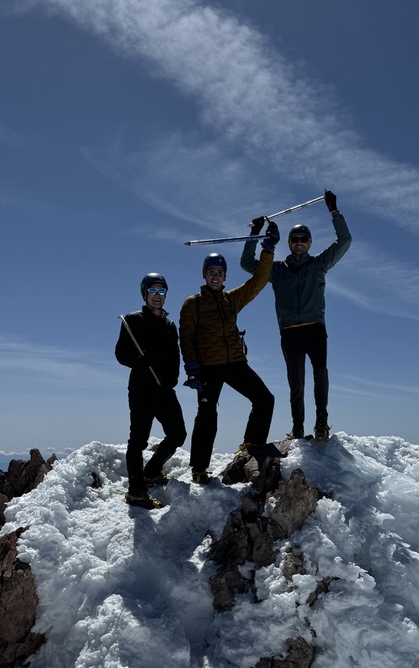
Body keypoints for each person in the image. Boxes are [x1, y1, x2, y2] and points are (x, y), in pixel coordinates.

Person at [241, 190, 351, 442]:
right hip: (290, 331)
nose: (299, 243)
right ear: (289, 243)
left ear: (309, 243)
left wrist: (334, 211)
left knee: (320, 372)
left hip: (315, 328)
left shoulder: (319, 264)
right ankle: (298, 427)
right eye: (295, 239)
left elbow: (345, 240)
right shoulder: (277, 270)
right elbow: (247, 264)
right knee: (296, 381)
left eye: (303, 239)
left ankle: (321, 422)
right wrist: (255, 234)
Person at [179, 221, 279, 484]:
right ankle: (199, 468)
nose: (216, 276)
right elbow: (186, 337)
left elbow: (258, 282)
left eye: (220, 273)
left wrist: (268, 250)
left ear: (225, 277)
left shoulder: (231, 300)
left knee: (265, 399)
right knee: (207, 414)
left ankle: (252, 445)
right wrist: (192, 368)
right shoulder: (193, 304)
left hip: (235, 363)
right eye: (211, 272)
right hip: (208, 367)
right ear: (204, 275)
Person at [115, 273, 187, 509]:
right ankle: (136, 491)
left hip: (164, 389)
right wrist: (137, 361)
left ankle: (152, 471)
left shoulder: (169, 325)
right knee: (138, 440)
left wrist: (173, 379)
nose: (157, 296)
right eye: (153, 291)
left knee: (178, 433)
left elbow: (175, 355)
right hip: (141, 388)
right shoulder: (133, 320)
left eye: (161, 291)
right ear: (145, 294)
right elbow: (120, 353)